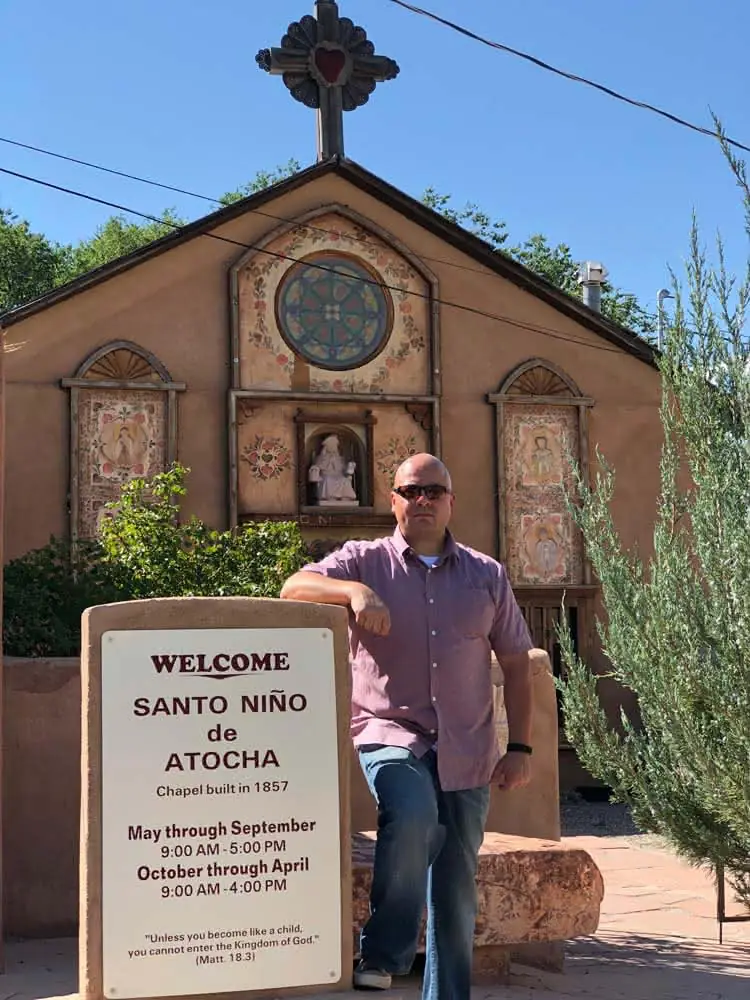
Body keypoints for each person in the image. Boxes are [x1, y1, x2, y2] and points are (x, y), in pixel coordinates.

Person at [280, 454, 534, 1000]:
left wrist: (520, 747)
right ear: (393, 501)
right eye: (411, 491)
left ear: (451, 503)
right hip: (388, 732)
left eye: (433, 492)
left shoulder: (486, 575)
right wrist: (354, 593)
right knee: (412, 812)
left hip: (467, 746)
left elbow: (517, 663)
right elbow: (293, 587)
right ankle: (384, 952)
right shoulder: (364, 561)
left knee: (456, 887)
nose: (423, 500)